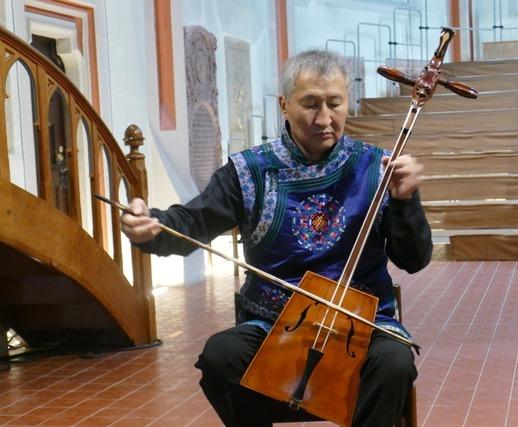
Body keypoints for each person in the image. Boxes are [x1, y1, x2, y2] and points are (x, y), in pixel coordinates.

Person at [121, 50, 432, 427]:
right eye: (310, 104)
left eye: (335, 104)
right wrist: (152, 226)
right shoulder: (251, 170)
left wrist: (404, 201)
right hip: (272, 324)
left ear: (347, 100)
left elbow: (413, 260)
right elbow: (191, 222)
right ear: (285, 105)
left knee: (395, 364)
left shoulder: (377, 166)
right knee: (221, 358)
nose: (324, 118)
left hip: (360, 326)